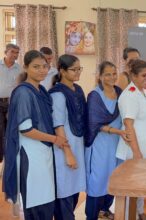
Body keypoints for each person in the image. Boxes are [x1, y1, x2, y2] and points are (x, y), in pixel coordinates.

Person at [3, 50, 68, 220]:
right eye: (36, 67)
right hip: (30, 154)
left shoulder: (41, 91)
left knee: (45, 200)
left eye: (44, 66)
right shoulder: (24, 92)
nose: (42, 70)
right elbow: (27, 130)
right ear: (25, 67)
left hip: (43, 151)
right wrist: (55, 139)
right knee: (36, 202)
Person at [84, 61, 128, 220]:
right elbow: (94, 123)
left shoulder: (120, 92)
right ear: (100, 76)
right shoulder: (95, 95)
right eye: (107, 74)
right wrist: (117, 131)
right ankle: (91, 216)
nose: (111, 77)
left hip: (117, 144)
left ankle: (105, 209)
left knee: (113, 177)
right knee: (98, 181)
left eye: (114, 73)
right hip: (100, 144)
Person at [116, 59, 146, 220]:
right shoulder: (130, 95)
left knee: (140, 185)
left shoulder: (145, 92)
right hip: (134, 151)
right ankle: (128, 216)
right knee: (130, 189)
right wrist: (136, 152)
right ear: (133, 75)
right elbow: (128, 124)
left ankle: (139, 213)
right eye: (143, 75)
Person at [49, 54, 87, 220]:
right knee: (64, 190)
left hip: (78, 145)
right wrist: (68, 153)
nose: (78, 72)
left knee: (74, 189)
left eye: (80, 68)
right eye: (74, 69)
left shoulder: (77, 90)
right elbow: (58, 126)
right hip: (64, 149)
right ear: (62, 71)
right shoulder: (57, 94)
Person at [0, 43, 21, 162]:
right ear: (6, 52)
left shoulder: (20, 69)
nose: (15, 55)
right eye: (12, 52)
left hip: (12, 103)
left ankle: (10, 158)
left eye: (17, 53)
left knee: (11, 130)